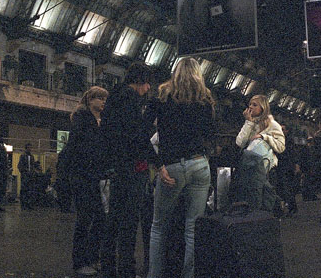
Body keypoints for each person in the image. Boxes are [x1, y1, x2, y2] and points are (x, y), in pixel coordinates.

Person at [147, 57, 215, 278]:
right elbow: (210, 135)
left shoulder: (162, 97)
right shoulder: (205, 99)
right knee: (193, 228)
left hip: (171, 167)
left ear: (175, 71)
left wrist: (158, 165)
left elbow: (142, 133)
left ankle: (154, 275)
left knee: (159, 227)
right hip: (199, 164)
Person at [102, 62, 156, 278]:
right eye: (148, 83)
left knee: (114, 217)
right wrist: (155, 160)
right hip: (133, 166)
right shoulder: (132, 100)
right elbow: (138, 135)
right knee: (130, 220)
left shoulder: (113, 97)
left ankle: (107, 264)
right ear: (141, 81)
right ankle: (126, 266)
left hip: (117, 165)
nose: (149, 88)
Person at [62, 86, 109, 276]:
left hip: (94, 175)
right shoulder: (83, 119)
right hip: (82, 175)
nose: (103, 102)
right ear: (90, 100)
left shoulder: (100, 121)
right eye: (100, 99)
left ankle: (90, 257)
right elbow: (81, 145)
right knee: (85, 218)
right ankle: (80, 261)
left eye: (105, 99)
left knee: (98, 217)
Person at [232, 94, 285, 212]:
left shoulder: (273, 125)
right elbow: (239, 142)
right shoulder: (250, 123)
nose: (250, 107)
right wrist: (248, 123)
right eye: (250, 104)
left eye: (255, 105)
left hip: (266, 170)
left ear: (263, 108)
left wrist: (264, 137)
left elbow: (281, 146)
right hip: (249, 168)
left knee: (264, 200)